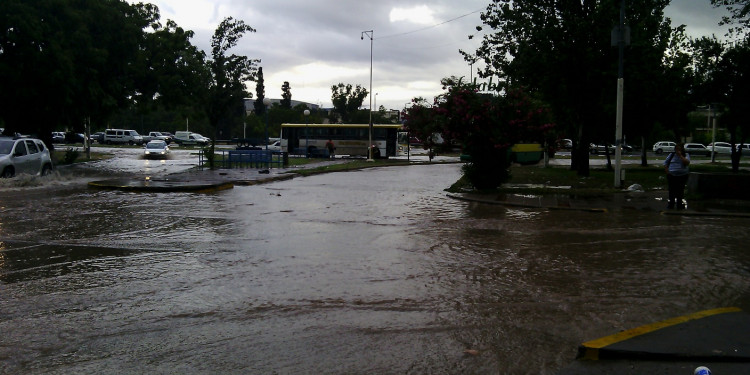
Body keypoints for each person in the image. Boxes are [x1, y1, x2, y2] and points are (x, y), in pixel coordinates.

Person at [663, 142, 691, 209]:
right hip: (672, 175)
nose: (678, 151)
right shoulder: (671, 155)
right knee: (672, 190)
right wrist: (668, 172)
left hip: (682, 175)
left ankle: (679, 204)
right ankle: (671, 204)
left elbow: (687, 163)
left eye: (679, 149)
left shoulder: (685, 155)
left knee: (680, 191)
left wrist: (680, 156)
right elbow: (665, 163)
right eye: (676, 149)